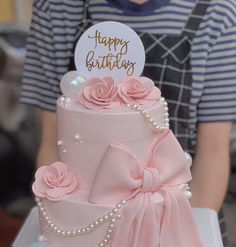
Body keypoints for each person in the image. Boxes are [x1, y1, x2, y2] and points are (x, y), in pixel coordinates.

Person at [21, 0, 236, 213]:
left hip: (185, 211)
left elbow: (213, 149)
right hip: (83, 224)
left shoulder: (218, 12)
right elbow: (50, 139)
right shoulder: (56, 8)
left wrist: (185, 237)